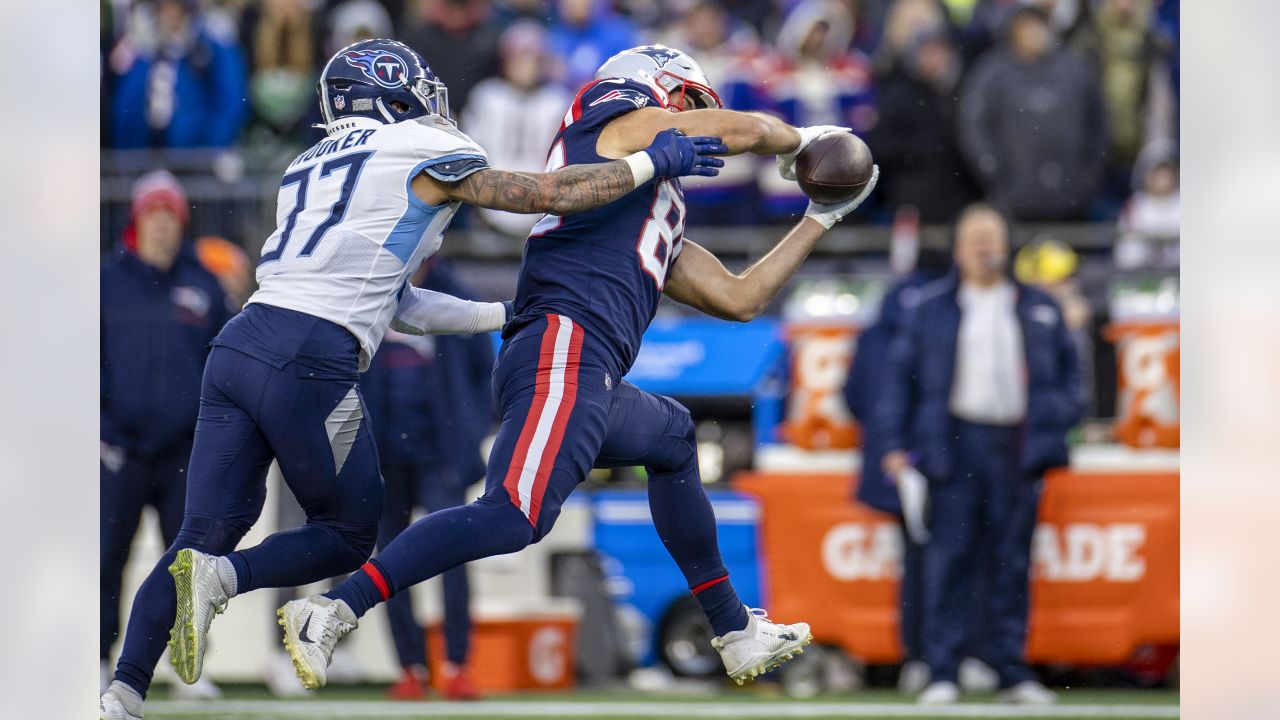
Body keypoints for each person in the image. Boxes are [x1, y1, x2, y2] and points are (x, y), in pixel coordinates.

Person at [99, 38, 721, 720]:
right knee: (348, 532)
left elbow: (398, 303)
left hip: (240, 347)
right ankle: (231, 579)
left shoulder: (308, 164)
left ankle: (123, 690)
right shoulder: (418, 145)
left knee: (199, 534)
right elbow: (541, 194)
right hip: (311, 358)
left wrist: (499, 315)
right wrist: (649, 161)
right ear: (393, 92)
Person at [280, 44, 878, 691]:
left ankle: (734, 632)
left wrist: (818, 219)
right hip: (563, 344)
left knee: (673, 438)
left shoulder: (655, 206)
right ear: (667, 89)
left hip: (586, 366)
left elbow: (740, 298)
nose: (709, 121)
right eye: (699, 105)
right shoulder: (610, 116)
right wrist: (803, 140)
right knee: (513, 515)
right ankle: (335, 609)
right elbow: (746, 129)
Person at [878, 204, 1082, 706]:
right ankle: (943, 668)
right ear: (958, 249)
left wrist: (1055, 418)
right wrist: (893, 445)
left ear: (1007, 245)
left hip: (1017, 443)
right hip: (954, 442)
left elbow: (1072, 375)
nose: (984, 247)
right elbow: (897, 381)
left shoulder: (1038, 305)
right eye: (975, 239)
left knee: (1011, 560)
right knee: (950, 558)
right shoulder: (931, 308)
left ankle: (1009, 667)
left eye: (991, 237)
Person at [101, 171, 233, 698]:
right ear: (138, 219)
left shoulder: (203, 283)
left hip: (184, 451)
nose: (163, 227)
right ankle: (100, 657)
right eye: (154, 215)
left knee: (188, 564)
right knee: (108, 557)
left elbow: (223, 362)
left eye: (171, 217)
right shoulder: (105, 281)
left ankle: (187, 665)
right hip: (118, 451)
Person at [361, 261, 493, 701]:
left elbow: (486, 373)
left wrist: (468, 434)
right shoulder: (372, 287)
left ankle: (458, 665)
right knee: (391, 561)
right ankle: (410, 667)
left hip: (441, 454)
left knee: (452, 557)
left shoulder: (455, 291)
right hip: (386, 453)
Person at [842, 245, 951, 696]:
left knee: (919, 564)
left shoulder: (880, 324)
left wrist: (886, 442)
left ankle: (920, 657)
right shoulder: (944, 314)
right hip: (945, 455)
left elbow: (852, 396)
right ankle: (948, 655)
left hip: (894, 460)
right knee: (955, 561)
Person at [956, 5, 1107, 221]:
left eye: (1039, 25)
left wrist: (1087, 176)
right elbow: (973, 127)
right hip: (1013, 202)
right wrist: (994, 171)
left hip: (1072, 200)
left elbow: (1098, 123)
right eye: (1026, 27)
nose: (1034, 34)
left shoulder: (1074, 68)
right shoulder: (991, 73)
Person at [462, 21, 574, 237]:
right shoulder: (487, 97)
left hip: (543, 207)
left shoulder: (557, 100)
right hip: (490, 206)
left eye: (532, 59)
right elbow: (471, 152)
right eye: (520, 59)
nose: (525, 66)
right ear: (506, 60)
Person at [108, 0, 249, 149]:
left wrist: (208, 149)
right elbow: (125, 106)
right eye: (164, 6)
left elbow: (230, 101)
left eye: (177, 6)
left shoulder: (212, 44)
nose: (171, 12)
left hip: (193, 154)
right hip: (146, 151)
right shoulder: (142, 48)